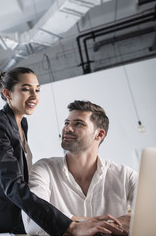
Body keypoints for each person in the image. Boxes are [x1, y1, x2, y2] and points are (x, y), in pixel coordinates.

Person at [0, 68, 124, 236]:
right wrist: (71, 227)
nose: (34, 96)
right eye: (25, 89)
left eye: (37, 90)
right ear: (8, 94)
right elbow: (13, 185)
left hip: (16, 217)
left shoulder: (22, 124)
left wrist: (78, 220)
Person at [22, 100, 138, 235]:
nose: (67, 128)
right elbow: (32, 221)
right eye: (67, 123)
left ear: (99, 134)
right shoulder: (43, 169)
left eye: (79, 124)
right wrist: (108, 225)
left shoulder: (125, 175)